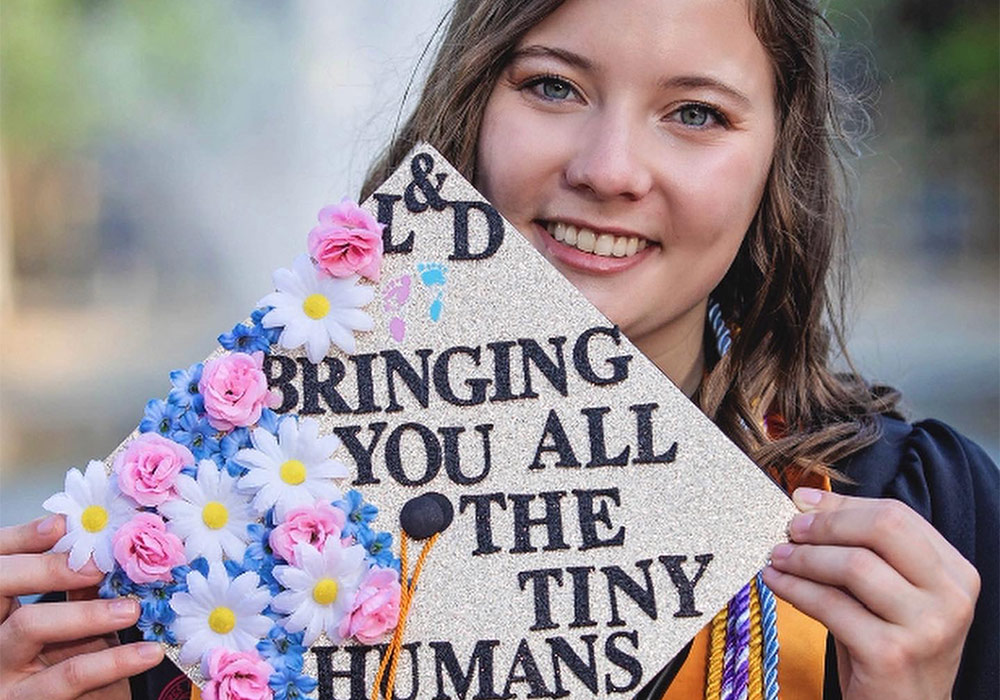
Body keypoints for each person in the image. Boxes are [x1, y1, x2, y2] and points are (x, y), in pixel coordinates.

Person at [1, 0, 996, 698]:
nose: (608, 169)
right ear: (475, 105)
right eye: (553, 87)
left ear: (778, 152)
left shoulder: (911, 526)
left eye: (695, 112)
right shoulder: (223, 514)